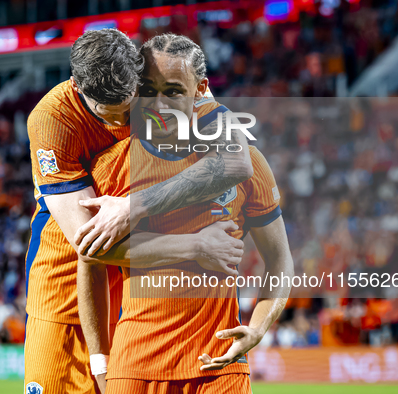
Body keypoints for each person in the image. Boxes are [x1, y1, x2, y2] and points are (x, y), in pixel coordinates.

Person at [25, 29, 253, 394]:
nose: (119, 123)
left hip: (140, 289)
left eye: (128, 106)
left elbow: (237, 160)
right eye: (105, 113)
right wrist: (194, 246)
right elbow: (90, 245)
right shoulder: (52, 120)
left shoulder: (161, 80)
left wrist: (133, 207)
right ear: (76, 85)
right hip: (66, 284)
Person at [77, 34, 294, 394]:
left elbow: (280, 259)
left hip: (219, 366)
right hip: (134, 368)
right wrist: (99, 360)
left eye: (174, 91)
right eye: (147, 88)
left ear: (201, 90)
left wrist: (257, 327)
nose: (158, 104)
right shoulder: (111, 168)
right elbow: (90, 260)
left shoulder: (248, 164)